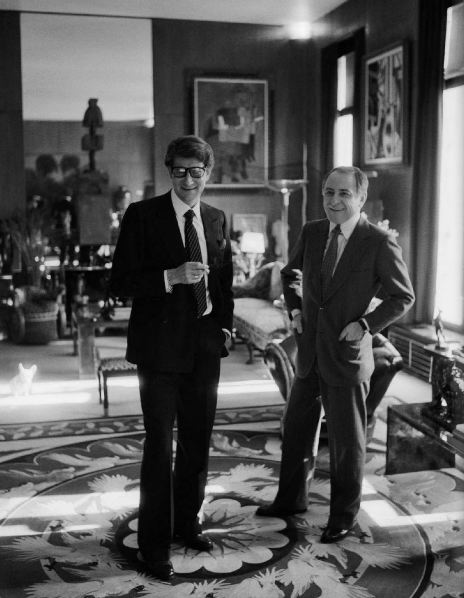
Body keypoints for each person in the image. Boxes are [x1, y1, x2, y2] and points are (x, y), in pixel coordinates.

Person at [256, 166, 414, 543]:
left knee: (346, 444)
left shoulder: (378, 241)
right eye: (329, 192)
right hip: (309, 352)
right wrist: (295, 309)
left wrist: (366, 325)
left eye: (344, 193)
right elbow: (290, 274)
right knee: (296, 431)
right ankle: (290, 500)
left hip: (347, 355)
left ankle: (342, 516)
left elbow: (403, 296)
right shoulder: (312, 231)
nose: (334, 200)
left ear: (360, 198)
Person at [109, 135, 234, 581]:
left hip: (205, 348)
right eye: (179, 171)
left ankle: (187, 524)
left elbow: (224, 281)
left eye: (196, 172)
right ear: (169, 172)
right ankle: (154, 545)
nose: (187, 180)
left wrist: (224, 326)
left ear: (207, 174)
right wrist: (169, 276)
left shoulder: (216, 218)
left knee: (197, 442)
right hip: (159, 350)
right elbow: (119, 282)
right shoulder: (142, 215)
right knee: (160, 447)